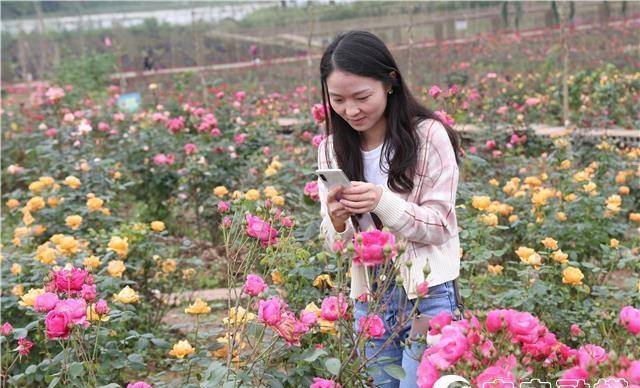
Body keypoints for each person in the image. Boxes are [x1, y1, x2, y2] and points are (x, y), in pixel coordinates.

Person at [317, 30, 464, 388]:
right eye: (337, 99)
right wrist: (337, 222)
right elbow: (332, 243)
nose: (350, 110)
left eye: (362, 97)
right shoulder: (332, 149)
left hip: (426, 296)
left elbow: (441, 224)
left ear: (390, 83)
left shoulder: (428, 136)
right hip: (371, 297)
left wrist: (383, 202)